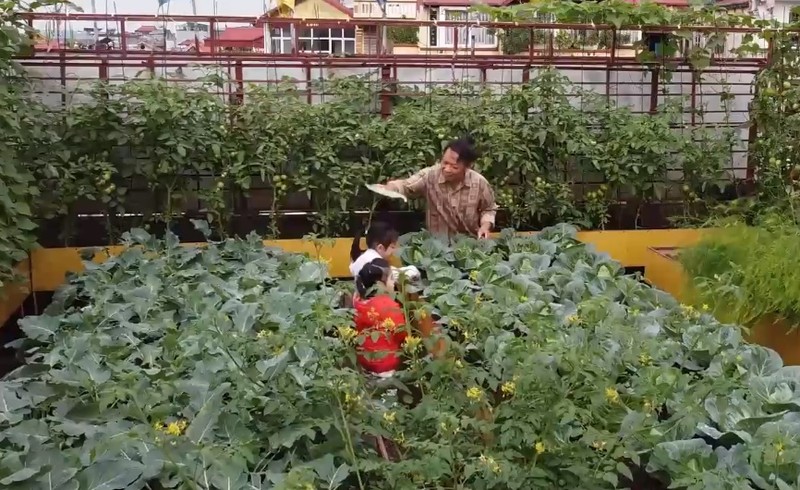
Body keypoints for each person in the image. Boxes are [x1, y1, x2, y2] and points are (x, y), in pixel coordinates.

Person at [381, 136, 498, 239]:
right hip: (437, 249)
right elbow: (407, 186)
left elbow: (488, 208)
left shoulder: (479, 183)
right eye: (444, 163)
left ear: (467, 167)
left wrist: (485, 226)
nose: (447, 169)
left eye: (454, 167)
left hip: (469, 245)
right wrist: (392, 187)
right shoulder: (430, 176)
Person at [353, 258, 408, 376]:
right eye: (391, 279)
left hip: (365, 363)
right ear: (381, 284)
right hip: (386, 366)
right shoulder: (389, 306)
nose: (393, 283)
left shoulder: (358, 303)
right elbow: (402, 334)